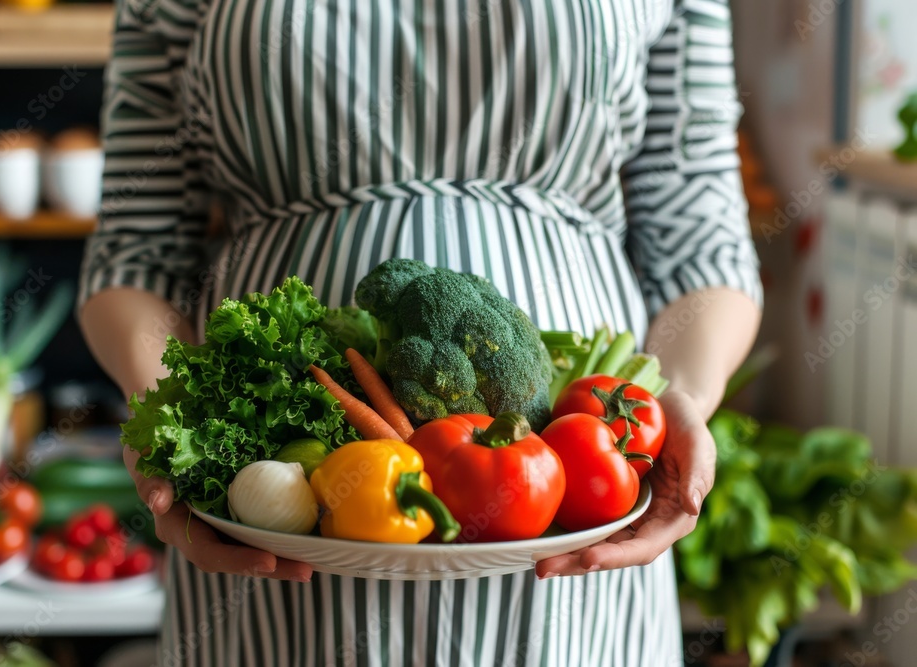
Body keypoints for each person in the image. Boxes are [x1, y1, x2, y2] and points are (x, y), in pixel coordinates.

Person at [78, 0, 762, 664]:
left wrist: (680, 401)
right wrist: (171, 415)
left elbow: (702, 246)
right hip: (274, 529)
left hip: (570, 518)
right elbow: (136, 253)